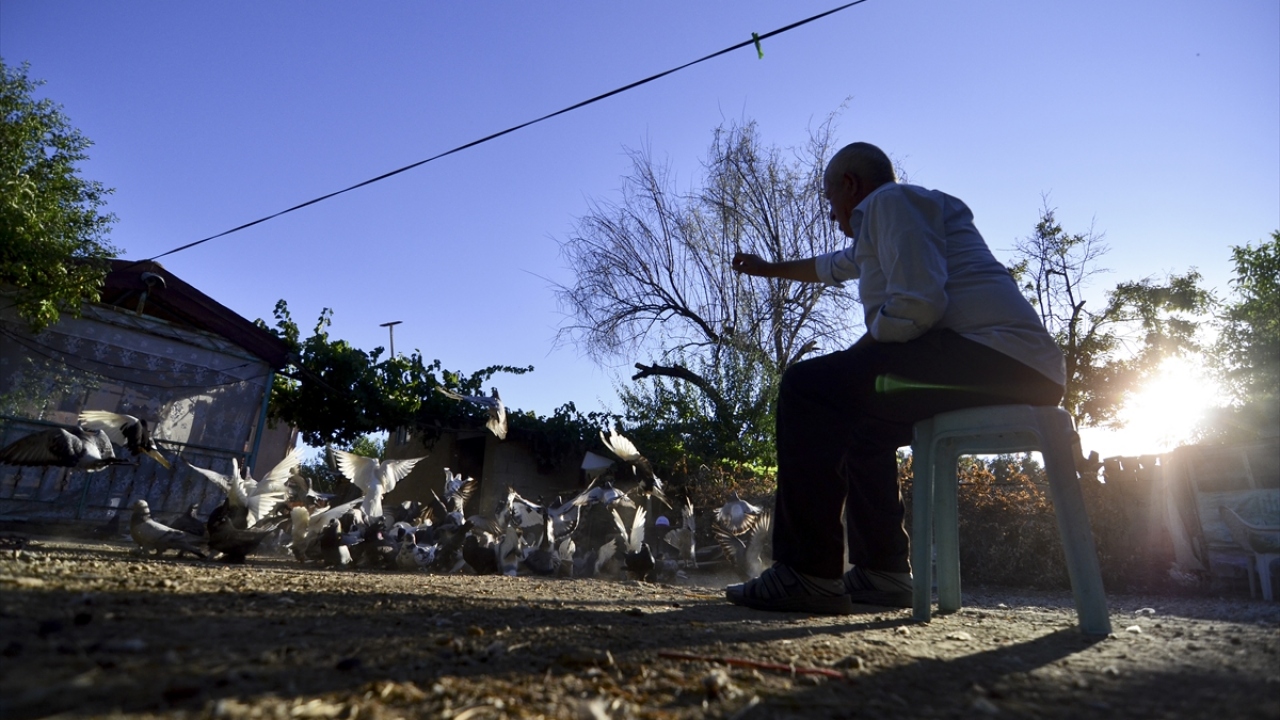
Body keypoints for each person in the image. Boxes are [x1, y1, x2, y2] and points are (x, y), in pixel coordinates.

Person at [727, 142, 1066, 614]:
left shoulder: (890, 202)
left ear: (850, 186)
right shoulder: (889, 223)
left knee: (807, 388)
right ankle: (882, 573)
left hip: (997, 356)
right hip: (1014, 367)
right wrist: (768, 270)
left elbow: (919, 305)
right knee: (863, 431)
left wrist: (854, 359)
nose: (831, 215)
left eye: (829, 200)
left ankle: (806, 574)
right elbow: (831, 267)